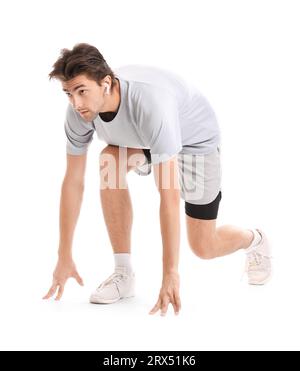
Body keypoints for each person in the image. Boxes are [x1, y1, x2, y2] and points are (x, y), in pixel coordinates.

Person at [43, 43, 272, 316]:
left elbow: (169, 197)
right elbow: (73, 182)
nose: (76, 103)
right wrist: (63, 254)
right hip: (144, 138)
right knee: (110, 162)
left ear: (105, 83)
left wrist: (170, 273)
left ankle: (255, 240)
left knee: (203, 246)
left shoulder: (151, 104)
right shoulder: (79, 113)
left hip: (193, 142)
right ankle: (123, 273)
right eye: (68, 93)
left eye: (81, 91)